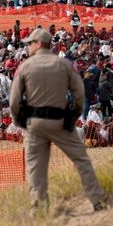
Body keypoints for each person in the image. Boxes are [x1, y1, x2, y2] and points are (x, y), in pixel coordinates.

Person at [9, 28, 106, 212]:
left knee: (36, 169)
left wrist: (20, 122)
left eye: (30, 43)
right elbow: (79, 94)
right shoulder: (65, 64)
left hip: (34, 124)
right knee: (81, 160)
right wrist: (73, 116)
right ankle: (97, 200)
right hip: (60, 121)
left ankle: (39, 211)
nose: (28, 47)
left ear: (38, 44)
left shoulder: (24, 67)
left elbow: (13, 101)